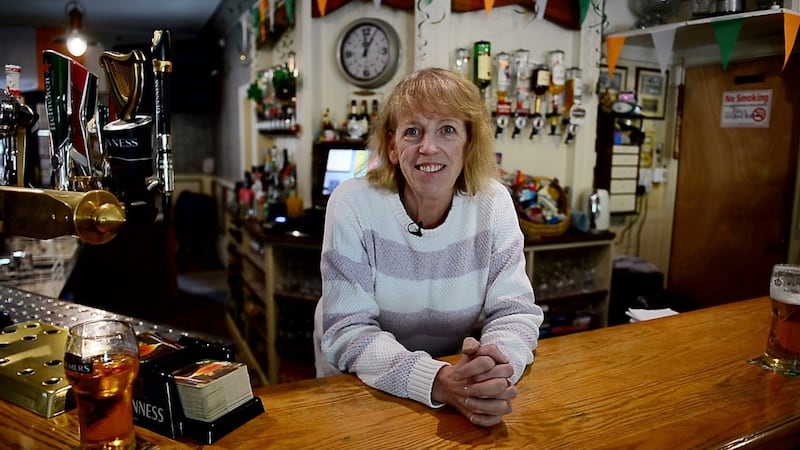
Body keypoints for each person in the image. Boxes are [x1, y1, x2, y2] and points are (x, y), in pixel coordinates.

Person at [313, 68, 543, 427]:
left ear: (469, 144)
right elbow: (349, 329)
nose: (428, 147)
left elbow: (514, 312)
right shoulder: (352, 203)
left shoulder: (493, 203)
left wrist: (493, 372)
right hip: (361, 384)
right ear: (392, 146)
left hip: (454, 381)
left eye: (447, 130)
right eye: (413, 131)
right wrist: (436, 380)